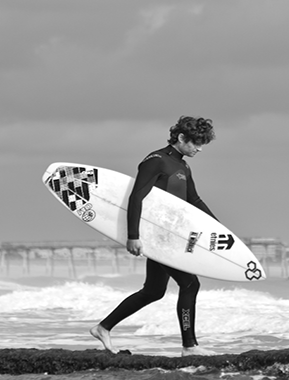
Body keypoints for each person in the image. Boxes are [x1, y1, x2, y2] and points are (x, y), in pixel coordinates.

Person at [90, 116, 219, 356]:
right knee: (190, 283)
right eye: (196, 143)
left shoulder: (183, 165)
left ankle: (103, 327)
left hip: (170, 236)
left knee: (153, 291)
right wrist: (133, 235)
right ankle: (189, 347)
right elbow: (136, 197)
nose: (199, 149)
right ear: (181, 138)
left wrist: (218, 227)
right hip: (156, 237)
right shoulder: (155, 161)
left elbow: (194, 200)